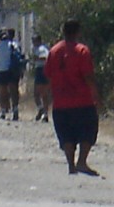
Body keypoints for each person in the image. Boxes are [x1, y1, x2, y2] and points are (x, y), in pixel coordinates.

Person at [43, 19, 101, 175]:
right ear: (78, 32)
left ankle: (71, 164)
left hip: (61, 103)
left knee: (66, 134)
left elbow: (48, 77)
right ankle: (81, 161)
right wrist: (96, 94)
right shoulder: (82, 51)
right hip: (83, 100)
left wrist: (47, 101)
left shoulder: (53, 51)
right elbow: (88, 75)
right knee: (87, 131)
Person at [0, 31, 20, 121]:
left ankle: (3, 111)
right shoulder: (14, 45)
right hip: (12, 70)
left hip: (2, 70)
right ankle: (15, 110)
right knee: (13, 91)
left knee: (2, 92)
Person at [30, 34, 51, 122]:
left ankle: (45, 113)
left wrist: (37, 58)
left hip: (42, 70)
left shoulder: (42, 49)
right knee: (36, 94)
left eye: (34, 41)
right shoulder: (35, 49)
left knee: (43, 94)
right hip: (38, 70)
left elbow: (46, 58)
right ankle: (41, 109)